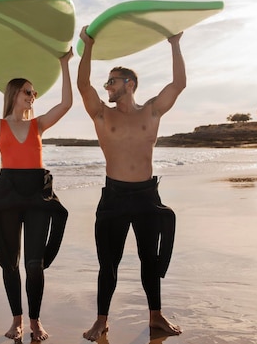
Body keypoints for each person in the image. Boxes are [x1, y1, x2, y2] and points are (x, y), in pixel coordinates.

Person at [77, 25, 185, 341]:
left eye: (112, 81)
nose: (107, 86)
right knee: (108, 263)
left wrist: (174, 44)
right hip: (113, 197)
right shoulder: (101, 115)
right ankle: (101, 321)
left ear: (130, 84)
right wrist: (88, 45)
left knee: (149, 259)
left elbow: (178, 84)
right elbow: (83, 84)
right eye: (107, 81)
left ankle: (156, 316)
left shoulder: (151, 111)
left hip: (146, 196)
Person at [0, 47, 73, 342]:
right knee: (11, 263)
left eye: (34, 92)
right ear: (14, 93)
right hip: (8, 194)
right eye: (27, 91)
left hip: (38, 194)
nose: (32, 95)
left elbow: (66, 103)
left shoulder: (38, 125)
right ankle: (17, 320)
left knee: (34, 264)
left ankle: (35, 321)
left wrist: (65, 64)